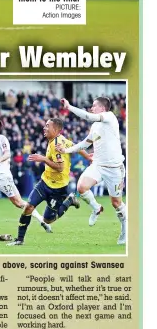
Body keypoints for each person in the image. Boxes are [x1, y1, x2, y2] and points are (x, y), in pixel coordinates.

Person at [7, 117, 91, 247]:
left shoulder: (57, 145)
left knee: (48, 220)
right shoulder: (60, 140)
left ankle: (69, 201)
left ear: (56, 130)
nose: (44, 128)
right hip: (44, 183)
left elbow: (60, 167)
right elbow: (76, 147)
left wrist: (43, 159)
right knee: (28, 207)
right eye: (45, 125)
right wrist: (88, 157)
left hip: (58, 189)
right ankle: (19, 239)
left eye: (47, 126)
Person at [59, 97, 127, 245]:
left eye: (94, 106)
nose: (91, 108)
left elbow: (88, 117)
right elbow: (85, 143)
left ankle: (125, 229)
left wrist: (69, 107)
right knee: (81, 187)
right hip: (98, 165)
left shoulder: (109, 117)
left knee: (116, 203)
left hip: (114, 168)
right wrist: (66, 150)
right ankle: (96, 208)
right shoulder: (96, 126)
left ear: (102, 108)